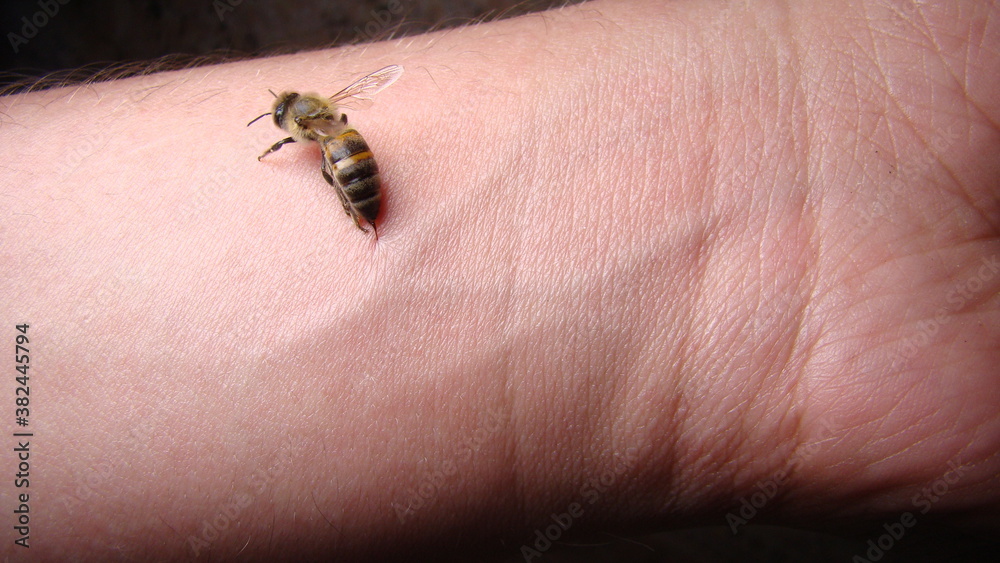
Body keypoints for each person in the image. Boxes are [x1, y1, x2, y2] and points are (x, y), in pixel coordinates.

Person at [1, 0, 997, 559]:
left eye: (284, 126)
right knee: (352, 174)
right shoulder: (329, 119)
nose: (287, 131)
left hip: (361, 170)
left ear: (291, 124)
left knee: (348, 179)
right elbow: (348, 129)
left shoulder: (306, 134)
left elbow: (328, 147)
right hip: (364, 160)